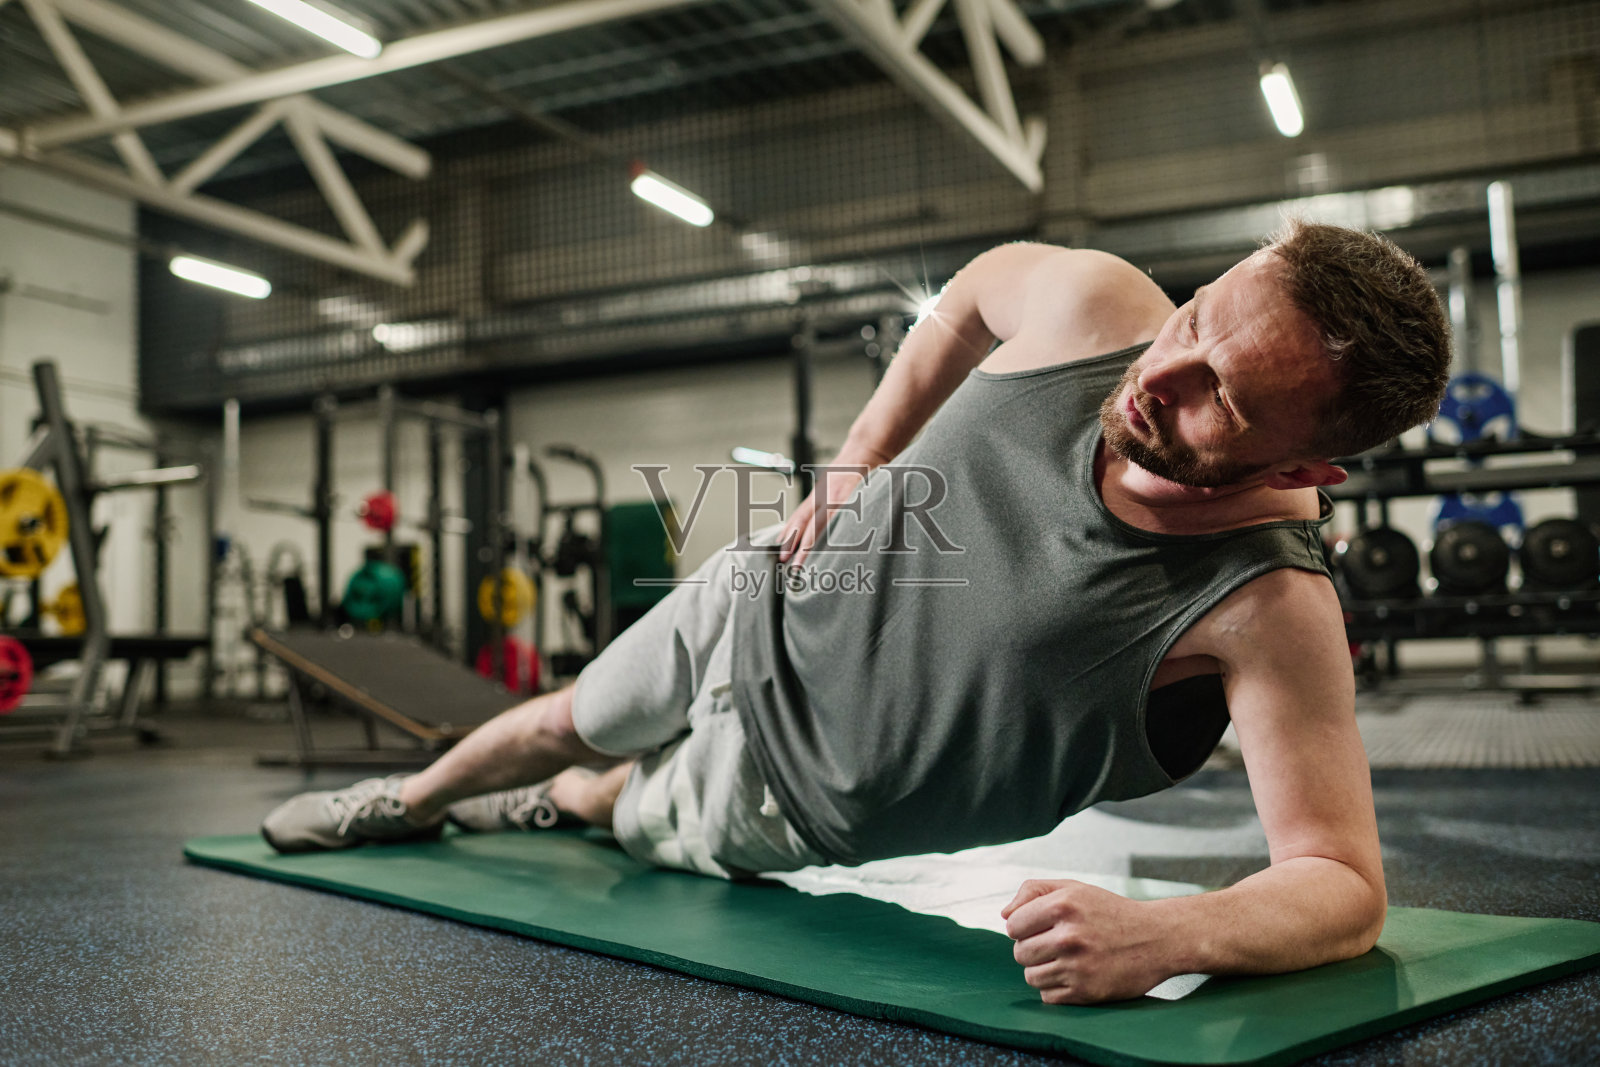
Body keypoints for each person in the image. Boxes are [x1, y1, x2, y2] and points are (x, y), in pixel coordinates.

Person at [261, 219, 1450, 1005]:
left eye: (1220, 403)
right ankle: (407, 800)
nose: (1159, 378)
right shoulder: (1098, 305)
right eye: (1194, 317)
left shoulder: (1267, 604)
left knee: (615, 803)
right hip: (763, 595)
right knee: (568, 714)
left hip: (789, 789)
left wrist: (1171, 932)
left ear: (1311, 467)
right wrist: (860, 453)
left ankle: (565, 803)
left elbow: (1341, 880)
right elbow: (974, 291)